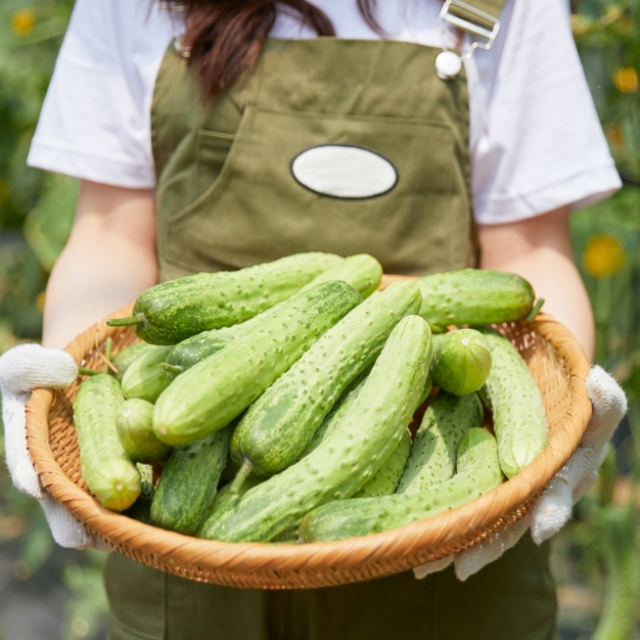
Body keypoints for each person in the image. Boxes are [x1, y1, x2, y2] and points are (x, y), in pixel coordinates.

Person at [0, 0, 628, 638]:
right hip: (183, 519)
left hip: (439, 504)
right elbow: (110, 232)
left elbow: (528, 253)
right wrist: (74, 391)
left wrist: (557, 424)